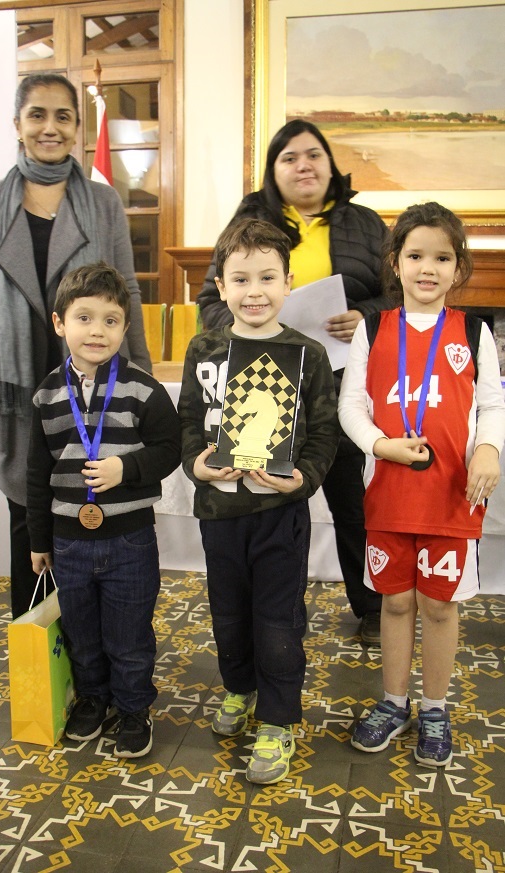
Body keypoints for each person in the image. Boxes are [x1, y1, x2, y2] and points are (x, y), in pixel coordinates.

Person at [197, 119, 389, 646]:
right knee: (266, 498)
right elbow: (211, 302)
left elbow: (396, 295)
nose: (303, 165)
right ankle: (264, 614)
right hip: (262, 386)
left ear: (330, 164)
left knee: (351, 498)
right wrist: (254, 326)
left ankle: (371, 607)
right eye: (289, 157)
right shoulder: (248, 223)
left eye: (313, 155)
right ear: (273, 170)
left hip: (344, 380)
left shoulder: (364, 223)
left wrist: (365, 316)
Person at [0, 72, 151, 620]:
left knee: (91, 508)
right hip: (18, 387)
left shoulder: (102, 201)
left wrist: (140, 374)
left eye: (63, 116)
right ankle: (34, 643)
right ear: (17, 124)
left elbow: (127, 289)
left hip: (93, 384)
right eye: (37, 115)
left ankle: (90, 646)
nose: (50, 127)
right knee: (29, 518)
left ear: (77, 128)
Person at [338, 202, 505, 766]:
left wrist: (488, 449)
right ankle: (393, 702)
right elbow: (352, 406)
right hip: (390, 494)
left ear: (458, 267)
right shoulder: (374, 329)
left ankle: (435, 707)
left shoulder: (474, 331)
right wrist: (380, 445)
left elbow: (492, 404)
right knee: (395, 602)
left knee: (437, 607)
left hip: (452, 497)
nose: (428, 268)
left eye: (442, 258)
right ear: (395, 263)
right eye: (415, 256)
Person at [179, 218, 339, 784]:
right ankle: (239, 689)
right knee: (228, 615)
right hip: (219, 516)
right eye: (241, 279)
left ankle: (278, 719)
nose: (254, 292)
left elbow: (324, 435)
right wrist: (196, 464)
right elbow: (188, 421)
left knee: (277, 621)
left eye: (268, 277)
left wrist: (303, 478)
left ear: (289, 282)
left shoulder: (308, 354)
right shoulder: (204, 348)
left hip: (279, 517)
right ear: (220, 286)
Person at [26, 262, 180, 758]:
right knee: (81, 632)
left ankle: (133, 707)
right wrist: (39, 540)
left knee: (129, 634)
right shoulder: (47, 395)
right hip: (69, 542)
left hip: (129, 540)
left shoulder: (143, 389)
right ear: (59, 323)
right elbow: (37, 475)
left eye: (110, 320)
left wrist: (126, 468)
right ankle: (93, 698)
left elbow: (170, 449)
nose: (97, 331)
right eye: (84, 318)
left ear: (125, 327)